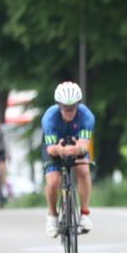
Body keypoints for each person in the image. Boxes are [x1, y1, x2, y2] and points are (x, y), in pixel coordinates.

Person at [42, 82, 95, 236]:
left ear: (79, 104)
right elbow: (51, 148)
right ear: (59, 105)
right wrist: (61, 150)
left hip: (76, 144)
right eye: (65, 107)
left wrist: (79, 148)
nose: (69, 111)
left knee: (84, 169)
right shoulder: (49, 118)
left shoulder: (87, 117)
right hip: (55, 146)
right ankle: (52, 216)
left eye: (73, 107)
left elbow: (85, 144)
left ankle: (84, 214)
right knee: (53, 181)